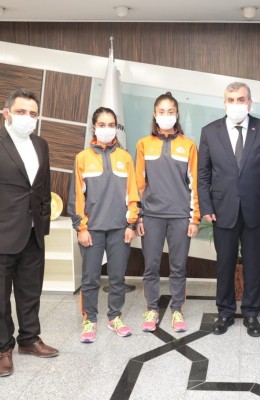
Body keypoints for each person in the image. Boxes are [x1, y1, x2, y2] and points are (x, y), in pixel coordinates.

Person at [198, 81, 260, 337]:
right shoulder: (209, 131)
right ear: (225, 103)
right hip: (221, 208)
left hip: (256, 208)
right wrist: (206, 206)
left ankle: (251, 313)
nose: (236, 104)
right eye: (231, 100)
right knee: (224, 263)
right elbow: (203, 174)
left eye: (241, 99)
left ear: (250, 103)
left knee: (253, 263)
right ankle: (225, 312)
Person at [0, 88, 59, 377]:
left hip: (34, 233)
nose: (27, 117)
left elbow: (43, 186)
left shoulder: (41, 144)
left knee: (30, 290)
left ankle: (29, 339)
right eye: (21, 111)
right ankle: (3, 348)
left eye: (32, 113)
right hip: (3, 232)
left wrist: (43, 223)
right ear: (6, 113)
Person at [68, 107, 140, 343]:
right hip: (92, 230)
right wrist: (81, 228)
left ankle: (114, 317)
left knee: (117, 278)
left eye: (111, 125)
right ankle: (89, 320)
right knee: (90, 279)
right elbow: (76, 197)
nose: (107, 129)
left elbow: (133, 194)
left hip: (120, 228)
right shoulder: (82, 158)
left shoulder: (125, 157)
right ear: (94, 128)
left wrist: (131, 224)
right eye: (102, 125)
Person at [135, 92, 200, 333]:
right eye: (161, 111)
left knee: (178, 267)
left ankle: (177, 310)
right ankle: (152, 308)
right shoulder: (143, 144)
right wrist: (137, 217)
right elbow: (138, 184)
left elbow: (195, 185)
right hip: (151, 216)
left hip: (180, 216)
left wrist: (194, 218)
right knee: (151, 266)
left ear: (177, 114)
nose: (166, 115)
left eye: (170, 111)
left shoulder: (189, 145)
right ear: (154, 114)